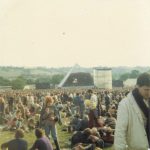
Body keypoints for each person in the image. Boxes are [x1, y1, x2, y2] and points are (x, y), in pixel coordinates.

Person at [114, 72, 150, 150]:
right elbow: (120, 131)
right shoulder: (125, 104)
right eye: (146, 89)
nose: (149, 93)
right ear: (137, 86)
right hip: (137, 147)